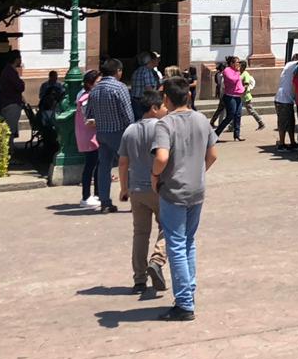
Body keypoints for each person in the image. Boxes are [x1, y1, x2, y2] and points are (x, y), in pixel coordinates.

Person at [151, 76, 217, 321]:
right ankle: (189, 292)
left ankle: (184, 303)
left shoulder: (165, 124)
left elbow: (161, 157)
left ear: (166, 99)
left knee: (176, 244)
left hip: (174, 189)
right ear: (188, 96)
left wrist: (155, 176)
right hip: (197, 189)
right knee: (188, 242)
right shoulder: (201, 119)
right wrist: (198, 171)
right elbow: (213, 154)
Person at [118, 91, 169, 294]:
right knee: (168, 227)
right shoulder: (161, 128)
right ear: (154, 109)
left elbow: (123, 162)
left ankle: (139, 279)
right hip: (158, 187)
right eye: (163, 107)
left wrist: (124, 188)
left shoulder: (130, 130)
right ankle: (157, 260)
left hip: (136, 189)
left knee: (140, 234)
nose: (166, 111)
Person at [86, 58, 134, 213]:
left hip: (101, 132)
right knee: (130, 165)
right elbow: (127, 113)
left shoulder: (95, 89)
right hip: (119, 132)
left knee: (104, 167)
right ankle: (135, 198)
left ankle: (105, 201)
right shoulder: (119, 88)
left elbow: (89, 113)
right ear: (118, 71)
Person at [75, 69, 101, 209]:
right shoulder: (86, 98)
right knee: (90, 166)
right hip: (89, 136)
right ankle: (86, 196)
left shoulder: (85, 95)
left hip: (91, 135)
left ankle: (96, 194)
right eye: (97, 82)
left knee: (96, 164)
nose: (100, 84)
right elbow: (88, 119)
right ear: (90, 84)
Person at [213, 56, 245, 141]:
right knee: (230, 116)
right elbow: (232, 80)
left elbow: (239, 83)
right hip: (230, 96)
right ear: (231, 63)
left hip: (238, 96)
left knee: (238, 115)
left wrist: (242, 89)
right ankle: (216, 134)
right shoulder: (227, 70)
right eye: (237, 62)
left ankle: (237, 135)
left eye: (239, 62)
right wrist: (238, 72)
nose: (238, 64)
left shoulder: (236, 71)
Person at [0, 49, 25, 142]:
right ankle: (9, 151)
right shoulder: (10, 72)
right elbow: (20, 86)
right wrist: (21, 82)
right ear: (16, 59)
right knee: (10, 130)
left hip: (7, 103)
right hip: (11, 104)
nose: (21, 60)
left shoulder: (7, 70)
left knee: (10, 130)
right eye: (20, 58)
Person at [274, 54, 298, 151]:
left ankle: (292, 142)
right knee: (283, 123)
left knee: (290, 122)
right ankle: (281, 144)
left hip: (286, 99)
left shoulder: (289, 68)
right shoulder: (291, 65)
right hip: (283, 99)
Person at [129, 51, 162, 121]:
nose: (158, 61)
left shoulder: (137, 71)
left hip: (135, 101)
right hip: (143, 102)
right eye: (156, 59)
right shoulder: (147, 71)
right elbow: (149, 90)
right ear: (151, 60)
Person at [239, 59, 267, 131]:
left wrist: (241, 91)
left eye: (239, 65)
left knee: (250, 110)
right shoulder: (239, 73)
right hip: (240, 96)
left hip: (245, 96)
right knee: (237, 111)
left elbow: (246, 85)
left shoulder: (245, 74)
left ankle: (261, 123)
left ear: (242, 66)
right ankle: (233, 125)